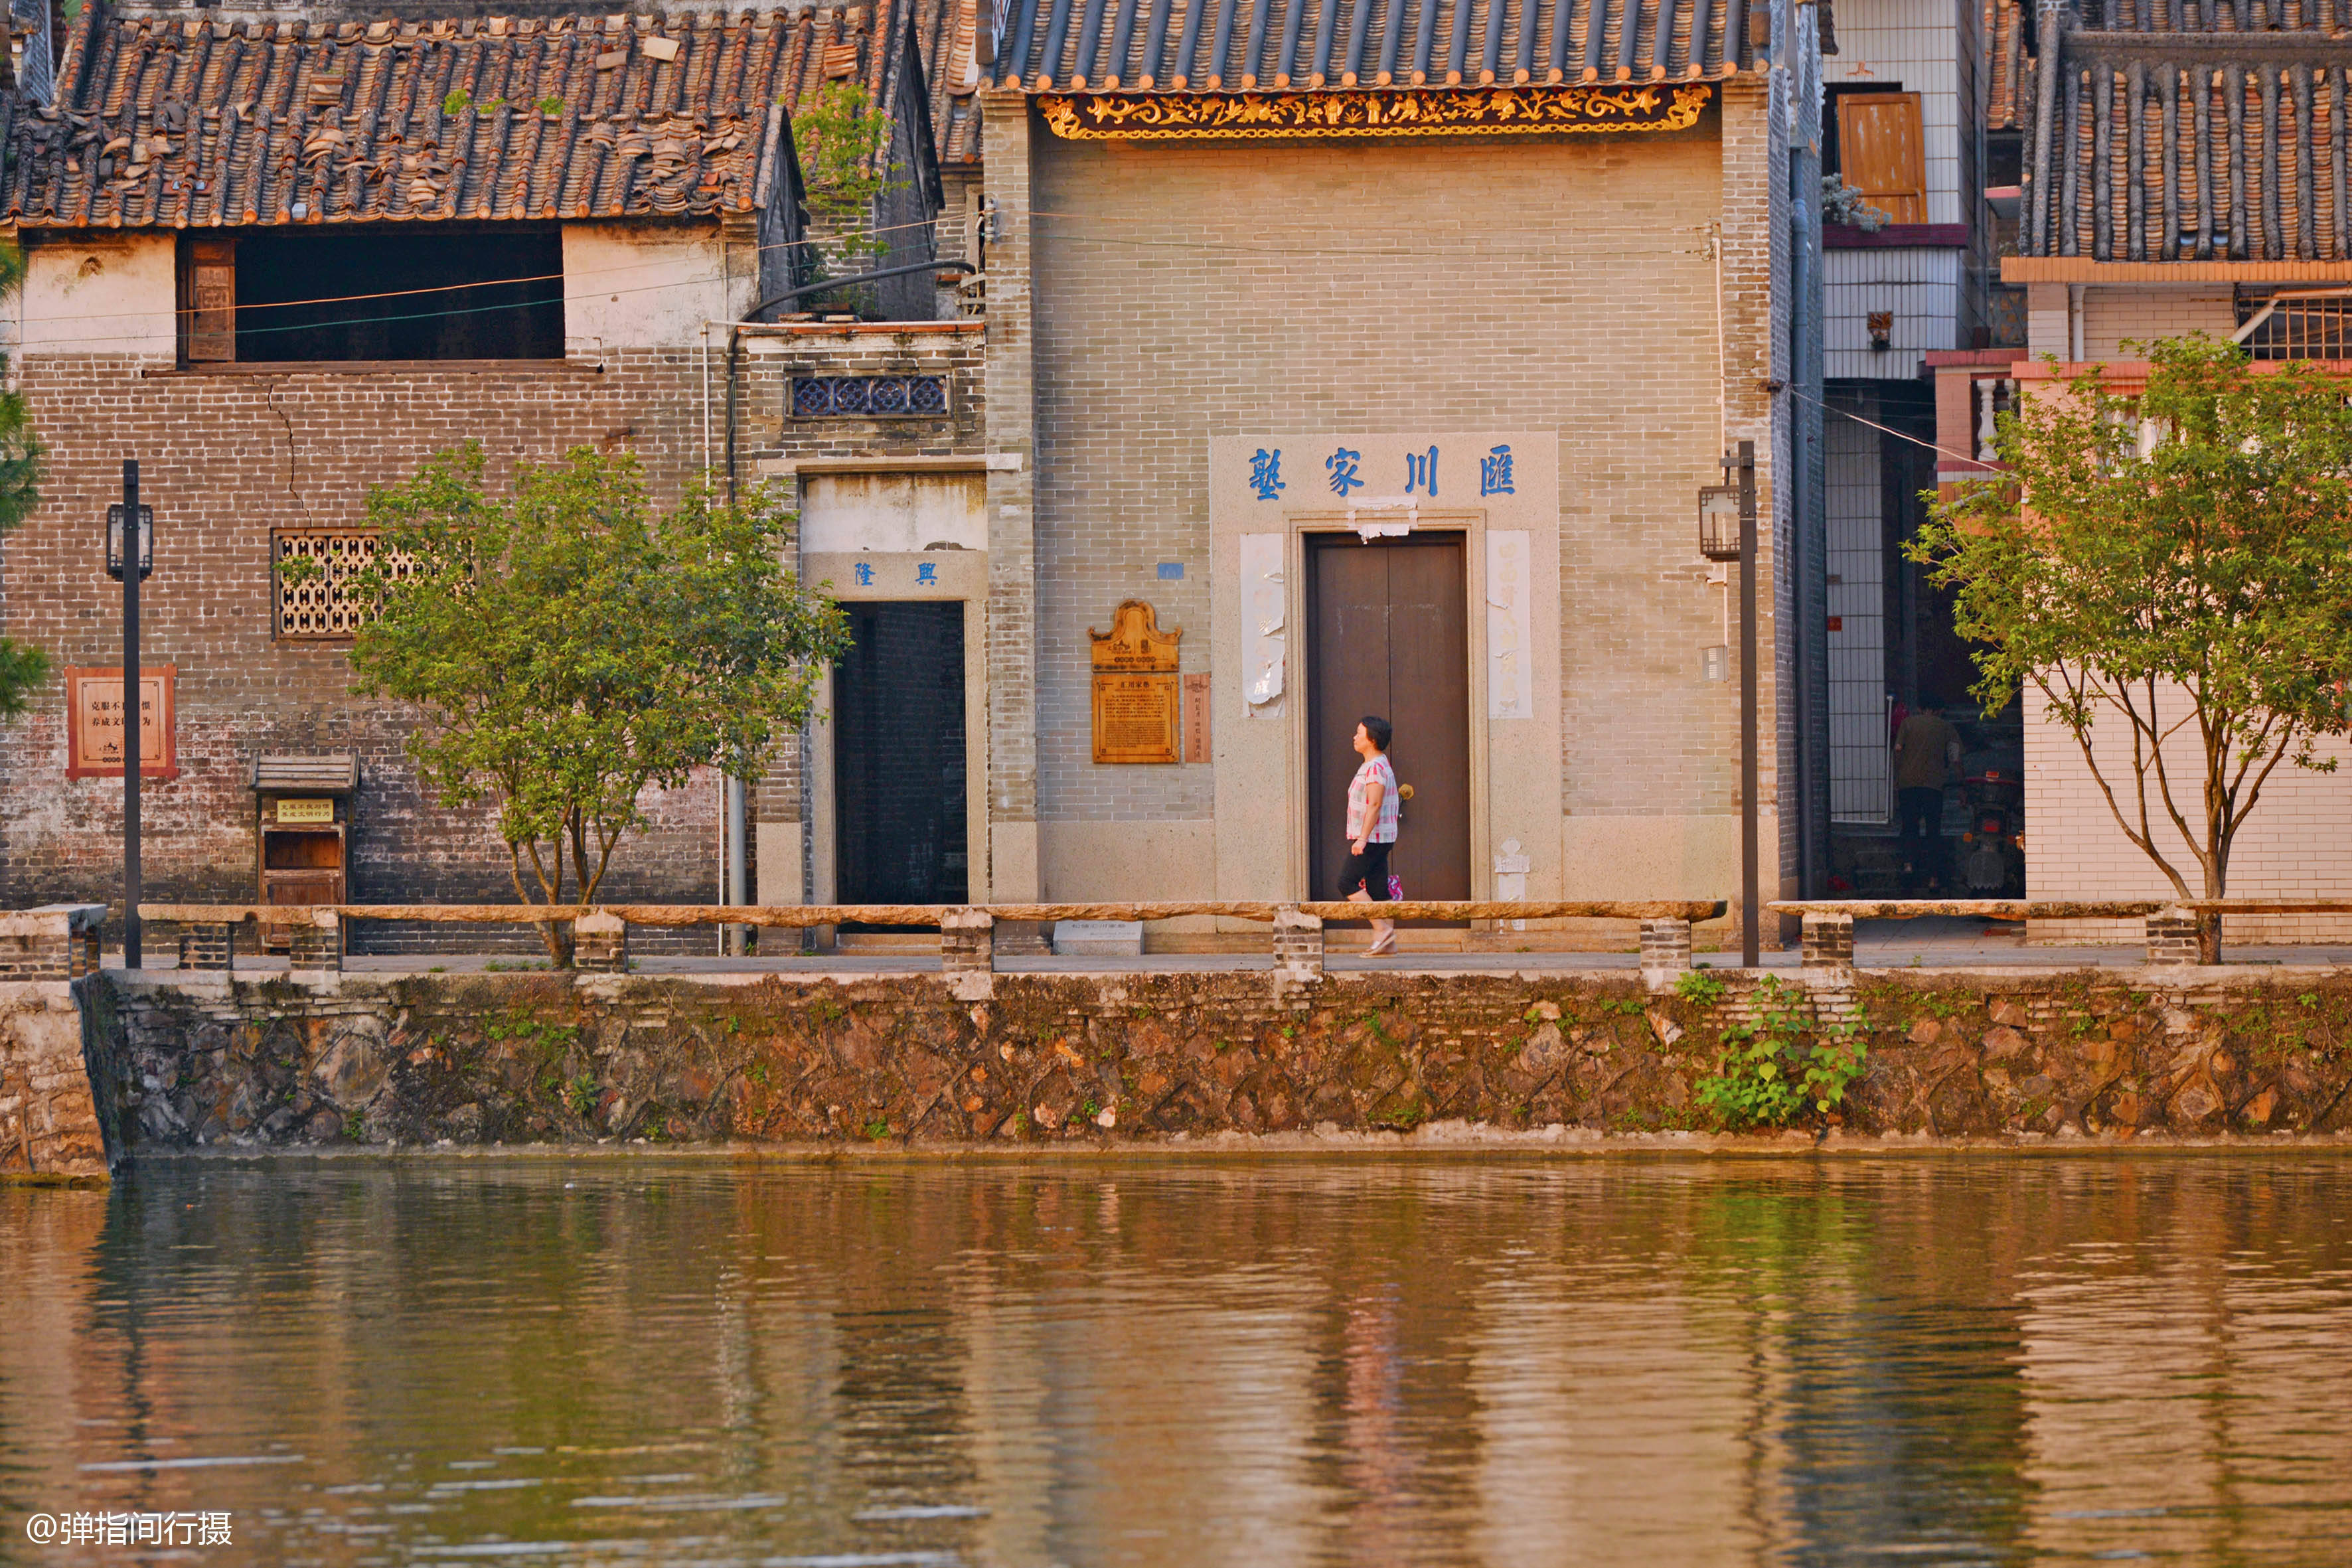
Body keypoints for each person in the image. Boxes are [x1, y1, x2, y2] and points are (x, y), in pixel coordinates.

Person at [1893, 694, 1963, 893]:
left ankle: (1908, 865)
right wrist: (1962, 786)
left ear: (1921, 708)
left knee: (1909, 825)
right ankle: (1933, 878)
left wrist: (1899, 775)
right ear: (1940, 710)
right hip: (1933, 785)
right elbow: (1955, 758)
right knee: (1933, 830)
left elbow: (1898, 750)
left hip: (1908, 784)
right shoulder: (1946, 728)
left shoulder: (1908, 724)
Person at [1342, 715, 1400, 956]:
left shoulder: (1375, 767)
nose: (1355, 737)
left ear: (1372, 739)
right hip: (1381, 837)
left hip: (1373, 837)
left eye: (1359, 733)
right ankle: (1388, 945)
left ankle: (1382, 930)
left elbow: (1374, 804)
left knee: (1346, 882)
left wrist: (1362, 838)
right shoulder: (1376, 764)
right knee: (1378, 889)